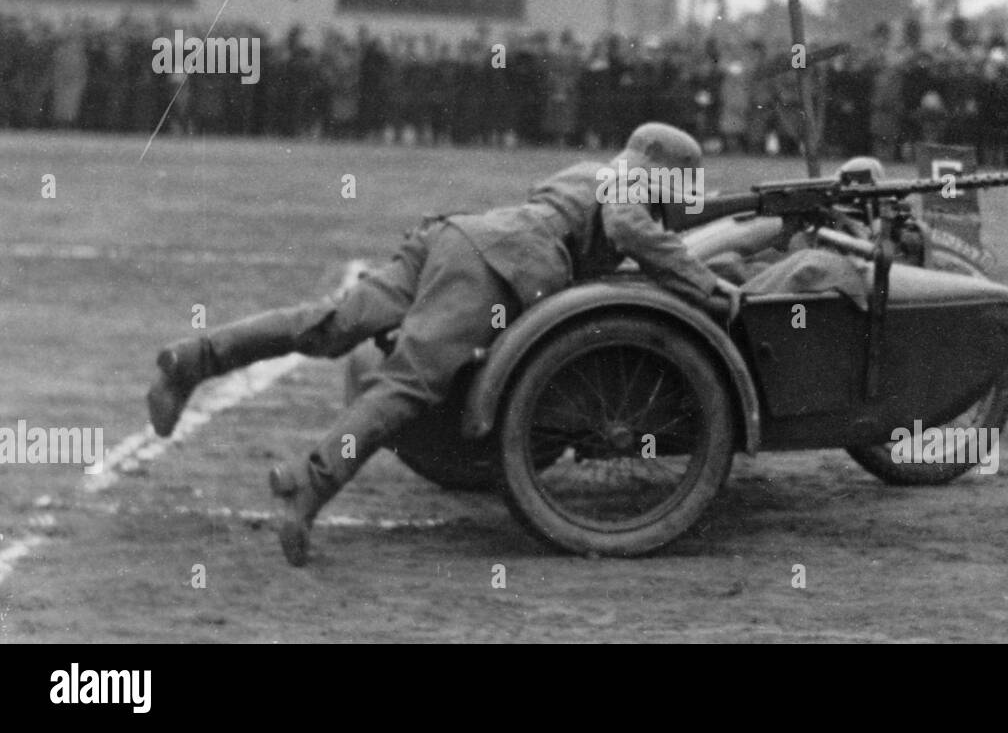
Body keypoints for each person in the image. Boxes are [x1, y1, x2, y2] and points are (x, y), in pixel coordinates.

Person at [144, 122, 743, 566]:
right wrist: (706, 284)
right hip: (496, 268)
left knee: (328, 322)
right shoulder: (630, 188)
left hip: (455, 237)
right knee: (410, 383)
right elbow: (630, 227)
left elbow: (627, 220)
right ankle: (311, 481)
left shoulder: (592, 170)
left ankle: (193, 359)